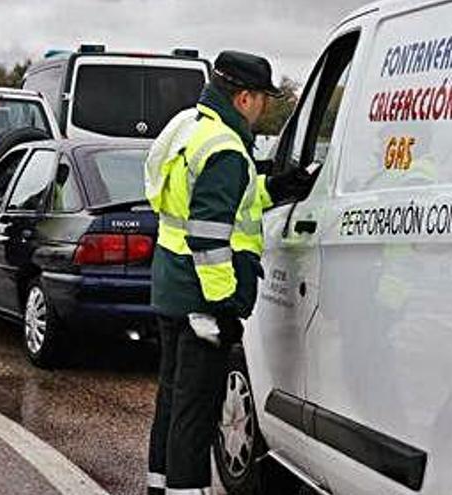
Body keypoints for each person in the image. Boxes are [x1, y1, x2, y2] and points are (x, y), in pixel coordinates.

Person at [144, 51, 318, 494]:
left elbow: (197, 201)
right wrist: (221, 306)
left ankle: (159, 485)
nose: (264, 108)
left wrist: (271, 188)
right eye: (262, 98)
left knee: (172, 398)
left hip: (170, 285)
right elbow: (208, 234)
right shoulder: (224, 147)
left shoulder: (186, 126)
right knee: (196, 410)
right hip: (202, 296)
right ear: (244, 97)